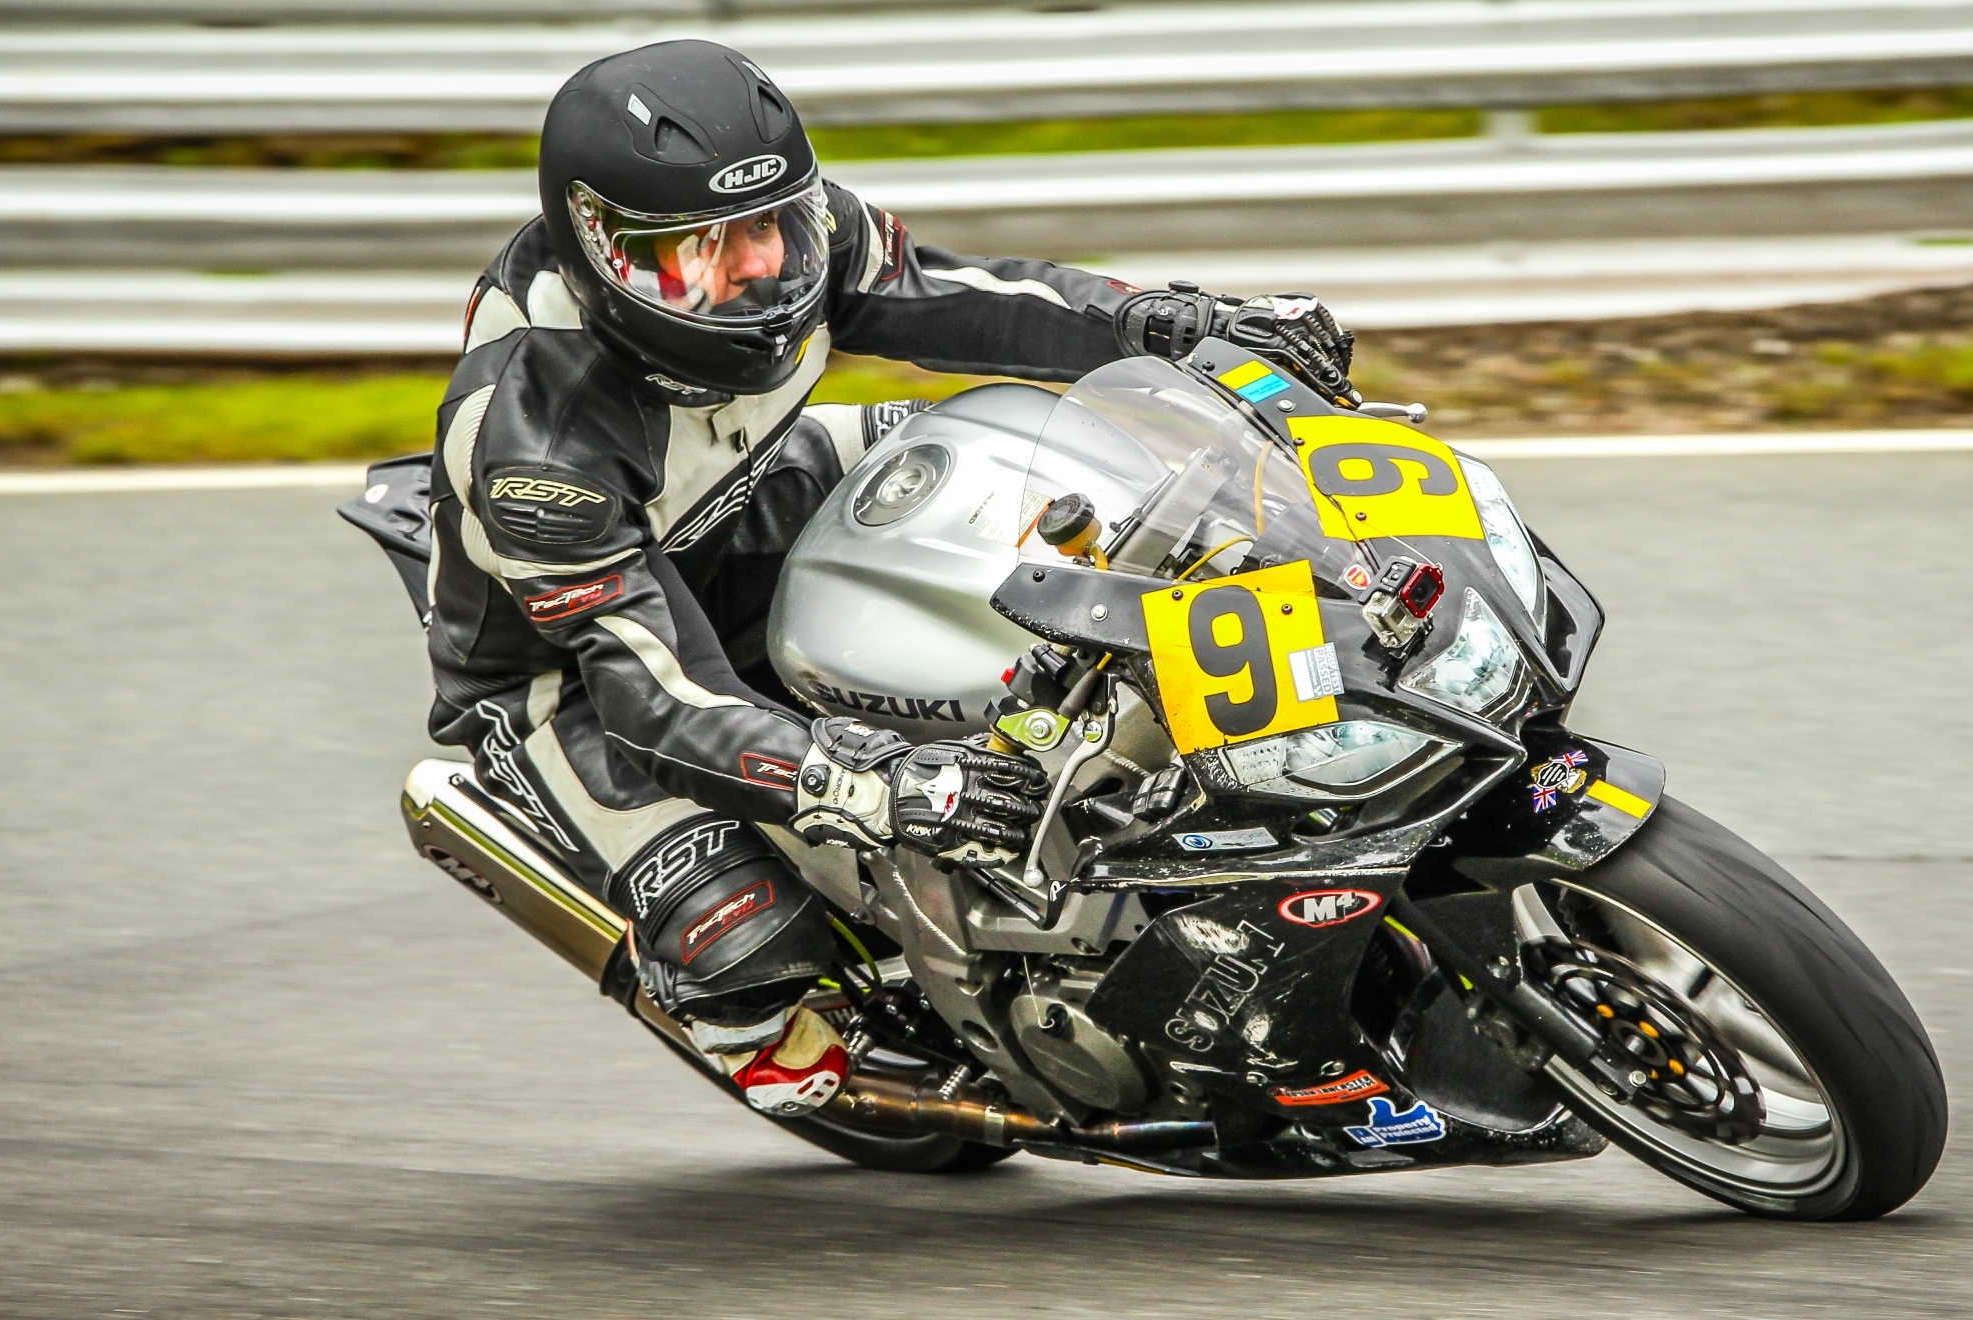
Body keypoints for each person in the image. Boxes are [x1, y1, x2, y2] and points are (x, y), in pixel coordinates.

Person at [426, 39, 1351, 1115]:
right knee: (748, 948)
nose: (758, 270)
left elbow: (973, 298)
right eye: (699, 251)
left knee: (1085, 474)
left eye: (768, 225)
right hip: (574, 672)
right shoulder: (537, 444)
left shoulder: (795, 235)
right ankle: (745, 1023)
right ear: (601, 251)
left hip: (763, 484)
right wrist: (866, 782)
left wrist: (1174, 323)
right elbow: (659, 694)